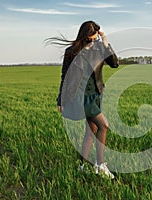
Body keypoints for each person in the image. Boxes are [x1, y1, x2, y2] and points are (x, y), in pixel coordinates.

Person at [46, 21, 119, 179]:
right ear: (82, 37)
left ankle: (82, 166)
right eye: (89, 40)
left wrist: (105, 43)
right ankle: (100, 166)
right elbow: (64, 76)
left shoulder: (100, 49)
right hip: (81, 96)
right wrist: (61, 99)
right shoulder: (71, 52)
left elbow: (114, 64)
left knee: (90, 132)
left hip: (96, 94)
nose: (92, 43)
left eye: (95, 39)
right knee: (104, 125)